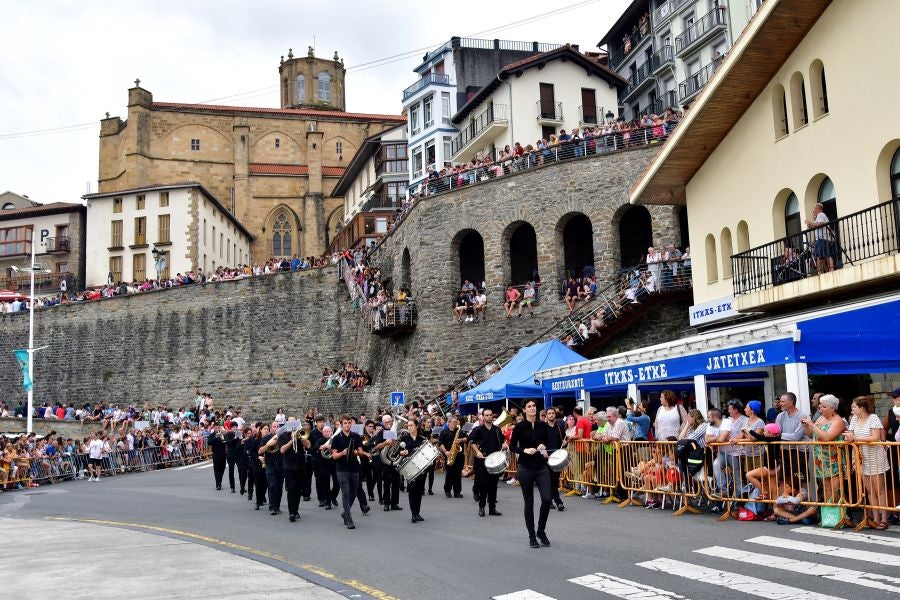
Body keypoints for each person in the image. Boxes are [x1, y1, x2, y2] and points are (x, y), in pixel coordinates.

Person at [510, 399, 552, 549]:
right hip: (525, 467)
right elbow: (512, 446)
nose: (533, 408)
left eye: (534, 406)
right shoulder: (520, 427)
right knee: (529, 502)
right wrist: (524, 450)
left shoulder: (542, 425)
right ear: (524, 410)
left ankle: (541, 530)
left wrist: (543, 445)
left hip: (541, 466)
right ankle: (532, 535)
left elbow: (547, 441)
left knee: (547, 499)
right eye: (529, 406)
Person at [843, 395, 889, 529]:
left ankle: (884, 519)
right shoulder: (854, 419)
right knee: (869, 490)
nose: (851, 409)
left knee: (879, 489)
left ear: (862, 407)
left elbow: (875, 437)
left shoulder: (873, 418)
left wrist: (855, 438)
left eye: (854, 406)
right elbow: (850, 437)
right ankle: (875, 518)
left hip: (875, 456)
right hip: (862, 457)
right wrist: (853, 458)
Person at [800, 394, 846, 504]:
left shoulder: (838, 421)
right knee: (825, 487)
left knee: (835, 488)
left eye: (824, 407)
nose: (821, 409)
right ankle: (828, 513)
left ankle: (839, 513)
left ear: (833, 408)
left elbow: (826, 437)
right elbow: (812, 435)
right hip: (820, 459)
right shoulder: (820, 418)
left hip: (833, 458)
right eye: (820, 407)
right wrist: (806, 426)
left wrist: (812, 424)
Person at [329, 414, 370, 529]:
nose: (347, 425)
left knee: (353, 493)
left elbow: (361, 452)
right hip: (342, 469)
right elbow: (334, 456)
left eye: (349, 423)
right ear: (341, 425)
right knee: (346, 494)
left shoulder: (356, 436)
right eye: (345, 423)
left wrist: (356, 452)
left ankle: (345, 513)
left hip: (355, 468)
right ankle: (349, 519)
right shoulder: (337, 438)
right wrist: (342, 453)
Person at [468, 407, 504, 517]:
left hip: (495, 460)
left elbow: (502, 441)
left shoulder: (497, 429)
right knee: (484, 484)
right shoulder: (478, 429)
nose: (489, 417)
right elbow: (472, 441)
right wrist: (478, 451)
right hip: (483, 460)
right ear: (483, 417)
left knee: (493, 485)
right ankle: (482, 507)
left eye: (490, 415)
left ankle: (492, 508)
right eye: (486, 415)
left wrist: (504, 445)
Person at [279, 420, 310, 523]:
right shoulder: (283, 435)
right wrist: (292, 440)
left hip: (300, 466)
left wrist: (300, 438)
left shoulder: (301, 433)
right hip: (289, 466)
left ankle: (295, 510)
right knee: (291, 489)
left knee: (298, 490)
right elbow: (282, 450)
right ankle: (291, 512)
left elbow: (308, 445)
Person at [399, 417, 427, 523]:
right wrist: (402, 453)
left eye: (411, 425)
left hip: (421, 467)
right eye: (408, 425)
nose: (409, 427)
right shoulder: (404, 439)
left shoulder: (422, 439)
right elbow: (399, 451)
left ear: (416, 426)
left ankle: (417, 513)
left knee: (419, 491)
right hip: (410, 468)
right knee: (412, 491)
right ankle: (413, 514)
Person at [373, 415, 402, 511]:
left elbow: (401, 444)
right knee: (387, 482)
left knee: (396, 482)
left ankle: (394, 503)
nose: (388, 423)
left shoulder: (396, 431)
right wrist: (386, 443)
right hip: (385, 461)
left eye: (390, 421)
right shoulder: (381, 433)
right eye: (386, 422)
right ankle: (386, 503)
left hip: (395, 460)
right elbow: (376, 447)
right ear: (383, 423)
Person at [258, 423, 284, 515]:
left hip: (281, 465)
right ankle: (272, 506)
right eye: (274, 427)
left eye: (278, 427)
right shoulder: (266, 438)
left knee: (279, 487)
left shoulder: (282, 437)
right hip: (270, 465)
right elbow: (260, 451)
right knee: (272, 486)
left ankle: (277, 506)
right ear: (270, 429)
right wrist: (268, 445)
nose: (276, 428)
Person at [544, 406, 566, 510]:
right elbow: (538, 442)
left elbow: (563, 441)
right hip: (546, 458)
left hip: (557, 458)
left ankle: (550, 500)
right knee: (549, 480)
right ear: (546, 415)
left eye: (553, 413)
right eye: (549, 413)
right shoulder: (542, 428)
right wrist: (542, 452)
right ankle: (557, 501)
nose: (551, 415)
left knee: (554, 480)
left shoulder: (559, 427)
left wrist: (565, 443)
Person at [439, 415, 467, 498]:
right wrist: (446, 451)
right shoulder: (444, 432)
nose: (455, 423)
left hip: (459, 456)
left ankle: (457, 492)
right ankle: (447, 490)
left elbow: (467, 438)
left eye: (456, 422)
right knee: (450, 474)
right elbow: (440, 443)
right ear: (449, 423)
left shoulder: (459, 431)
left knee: (458, 474)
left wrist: (461, 440)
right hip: (449, 455)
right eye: (453, 422)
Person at [805, 202, 834, 274]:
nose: (814, 210)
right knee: (821, 256)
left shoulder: (821, 214)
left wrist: (811, 222)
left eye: (814, 209)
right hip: (821, 238)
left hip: (822, 238)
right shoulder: (819, 216)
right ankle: (825, 271)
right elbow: (816, 226)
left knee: (824, 255)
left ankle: (826, 271)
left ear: (817, 208)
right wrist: (810, 224)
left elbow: (820, 224)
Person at [224, 423, 242, 493]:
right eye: (233, 427)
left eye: (236, 427)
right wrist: (235, 438)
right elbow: (228, 443)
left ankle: (242, 485)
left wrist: (240, 438)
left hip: (238, 455)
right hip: (230, 455)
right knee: (231, 471)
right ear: (231, 428)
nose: (235, 428)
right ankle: (232, 487)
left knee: (240, 470)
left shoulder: (239, 434)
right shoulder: (228, 434)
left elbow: (241, 444)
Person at [208, 426, 227, 491]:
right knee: (216, 469)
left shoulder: (222, 434)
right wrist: (215, 437)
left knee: (223, 467)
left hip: (223, 453)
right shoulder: (212, 435)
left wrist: (223, 437)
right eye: (216, 427)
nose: (217, 429)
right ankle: (218, 484)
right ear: (214, 428)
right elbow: (209, 443)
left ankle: (219, 481)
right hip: (216, 453)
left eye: (218, 427)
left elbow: (225, 442)